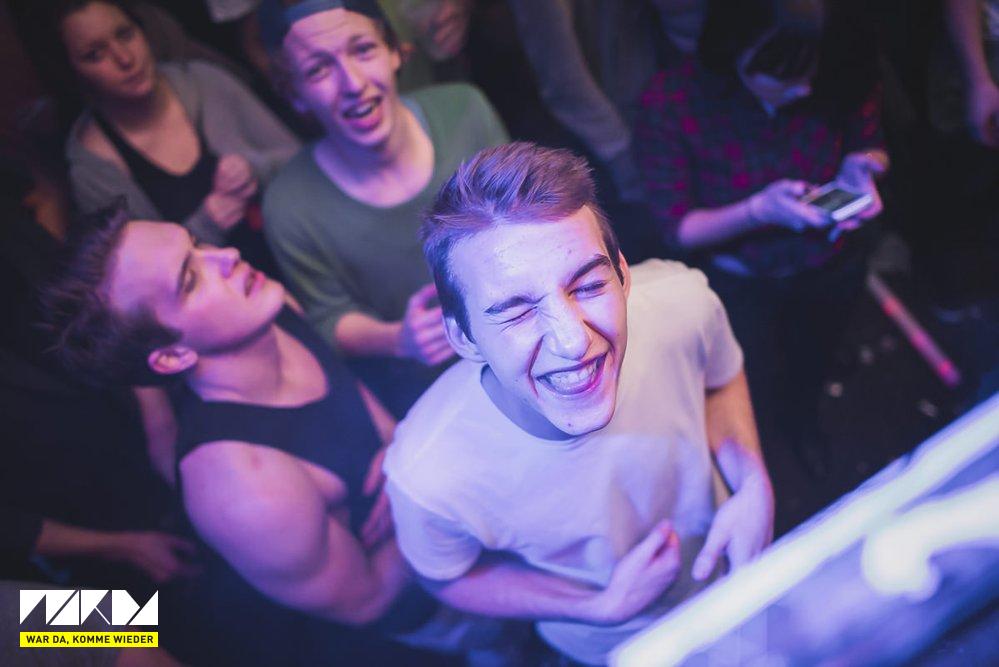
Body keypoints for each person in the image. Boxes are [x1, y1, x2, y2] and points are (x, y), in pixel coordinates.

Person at [42, 205, 511, 665]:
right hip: (436, 605)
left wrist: (404, 456)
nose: (225, 257)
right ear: (171, 356)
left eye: (198, 244)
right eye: (189, 279)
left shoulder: (269, 306)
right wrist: (416, 486)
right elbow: (367, 601)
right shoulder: (242, 489)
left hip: (466, 517)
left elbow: (373, 422)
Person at [384, 142, 775, 666]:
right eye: (516, 312)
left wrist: (752, 480)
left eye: (589, 285)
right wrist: (598, 608)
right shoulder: (427, 473)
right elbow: (447, 576)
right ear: (464, 337)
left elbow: (720, 378)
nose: (573, 342)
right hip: (613, 648)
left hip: (736, 585)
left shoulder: (683, 303)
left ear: (623, 275)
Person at [635, 0, 888, 477]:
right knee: (743, 376)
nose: (805, 88)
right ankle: (759, 453)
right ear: (737, 49)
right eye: (783, 73)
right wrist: (757, 211)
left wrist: (864, 170)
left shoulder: (841, 62)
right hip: (738, 279)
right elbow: (677, 227)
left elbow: (869, 141)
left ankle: (803, 424)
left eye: (812, 71)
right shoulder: (673, 101)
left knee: (813, 358)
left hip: (830, 262)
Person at [262, 0, 508, 415]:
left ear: (395, 52)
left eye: (363, 50)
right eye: (319, 70)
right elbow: (328, 316)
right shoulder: (290, 204)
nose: (353, 83)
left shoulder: (465, 110)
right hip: (434, 400)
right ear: (296, 95)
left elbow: (529, 213)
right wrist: (398, 338)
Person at [42, 0, 300, 247]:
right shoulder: (91, 171)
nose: (124, 58)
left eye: (125, 34)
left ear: (143, 30)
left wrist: (253, 168)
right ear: (73, 73)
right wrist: (208, 224)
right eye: (95, 54)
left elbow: (303, 162)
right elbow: (139, 270)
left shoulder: (206, 82)